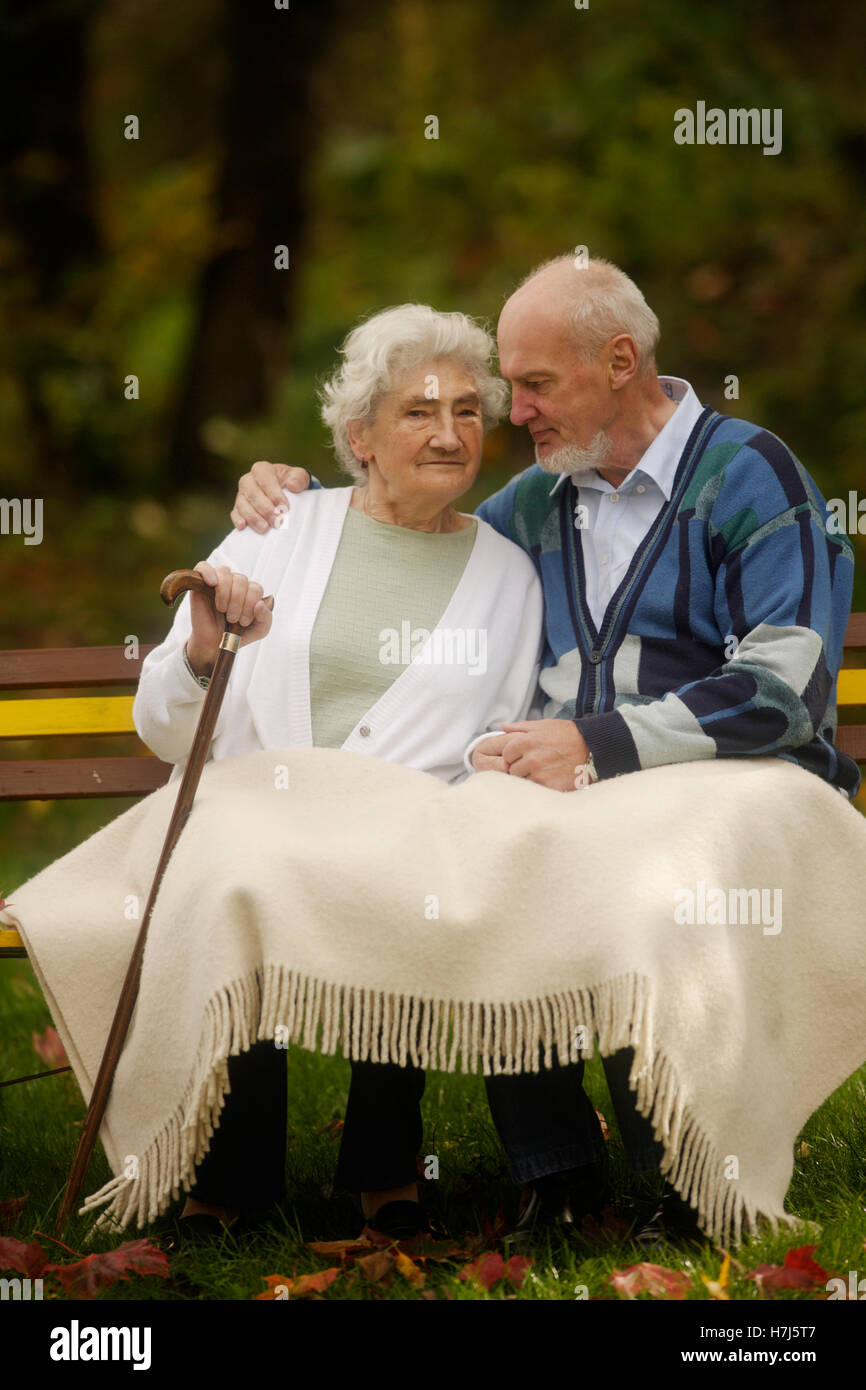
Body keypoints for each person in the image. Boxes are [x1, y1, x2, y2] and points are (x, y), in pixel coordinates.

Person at [229, 255, 858, 1244]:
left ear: (619, 361)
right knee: (485, 848)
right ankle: (555, 1175)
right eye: (508, 389)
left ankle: (684, 1178)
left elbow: (786, 690)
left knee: (656, 874)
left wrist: (596, 743)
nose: (510, 411)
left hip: (741, 783)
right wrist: (294, 498)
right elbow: (401, 535)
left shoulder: (751, 476)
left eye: (532, 384)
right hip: (571, 791)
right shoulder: (532, 505)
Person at [133, 303, 544, 1242]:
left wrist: (467, 790)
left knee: (406, 880)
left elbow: (499, 736)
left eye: (469, 412)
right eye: (418, 411)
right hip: (250, 827)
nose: (449, 433)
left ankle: (384, 1173)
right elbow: (161, 727)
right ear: (359, 435)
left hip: (404, 840)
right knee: (235, 883)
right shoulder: (276, 529)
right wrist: (202, 653)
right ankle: (227, 1180)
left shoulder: (508, 575)